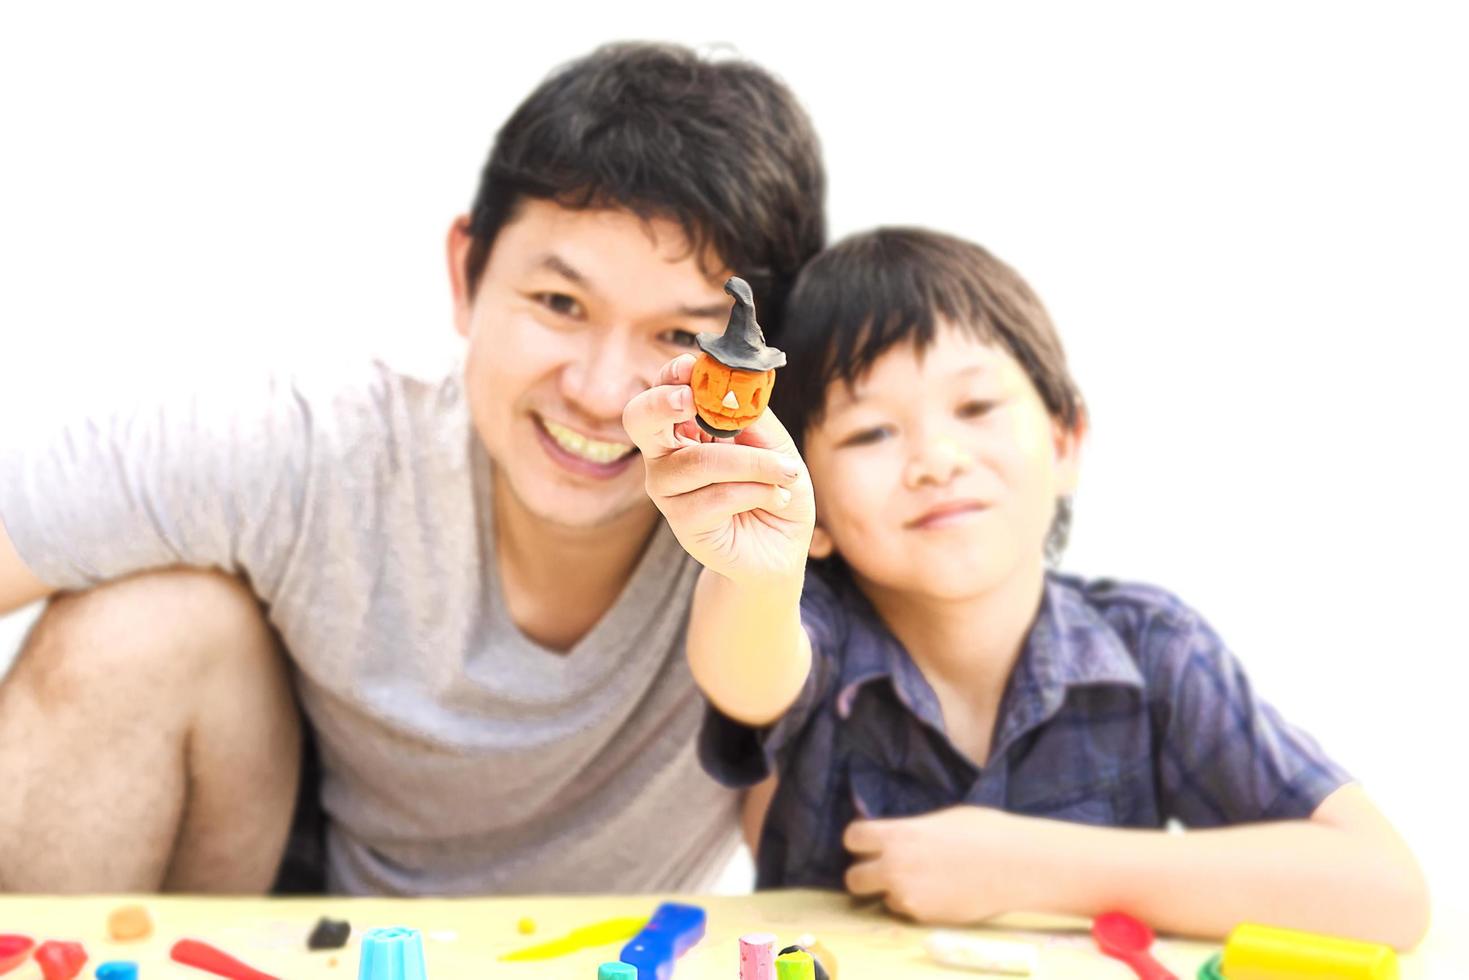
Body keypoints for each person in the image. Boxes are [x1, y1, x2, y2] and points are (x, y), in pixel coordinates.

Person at [0, 41, 826, 895]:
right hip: (302, 931)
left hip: (619, 952)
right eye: (558, 304)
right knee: (143, 627)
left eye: (682, 337)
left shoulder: (805, 509)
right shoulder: (318, 441)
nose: (600, 391)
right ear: (466, 274)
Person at [622, 227, 1429, 946]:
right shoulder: (822, 628)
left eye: (974, 405)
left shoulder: (1152, 649)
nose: (935, 459)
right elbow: (744, 672)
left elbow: (1385, 893)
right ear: (813, 497)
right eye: (871, 431)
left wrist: (1032, 866)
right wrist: (758, 570)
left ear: (1066, 438)